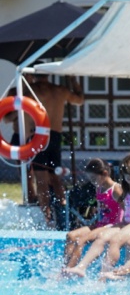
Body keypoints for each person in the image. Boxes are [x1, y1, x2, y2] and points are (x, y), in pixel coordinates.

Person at [63, 153, 130, 277]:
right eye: (125, 175)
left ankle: (111, 275)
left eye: (129, 175)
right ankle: (82, 267)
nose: (127, 178)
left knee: (116, 240)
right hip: (129, 223)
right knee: (102, 236)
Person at [5, 75, 83, 228]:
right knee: (55, 177)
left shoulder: (28, 91)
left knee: (39, 178)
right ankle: (64, 213)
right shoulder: (61, 90)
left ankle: (47, 218)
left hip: (38, 135)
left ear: (32, 75)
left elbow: (7, 117)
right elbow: (80, 100)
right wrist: (73, 81)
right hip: (55, 136)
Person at [62, 158, 123, 269]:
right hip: (100, 225)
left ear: (105, 173)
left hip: (112, 226)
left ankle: (69, 271)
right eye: (91, 179)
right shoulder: (99, 188)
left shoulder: (116, 189)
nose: (92, 182)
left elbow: (126, 210)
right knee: (70, 236)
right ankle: (64, 267)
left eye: (94, 179)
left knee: (81, 241)